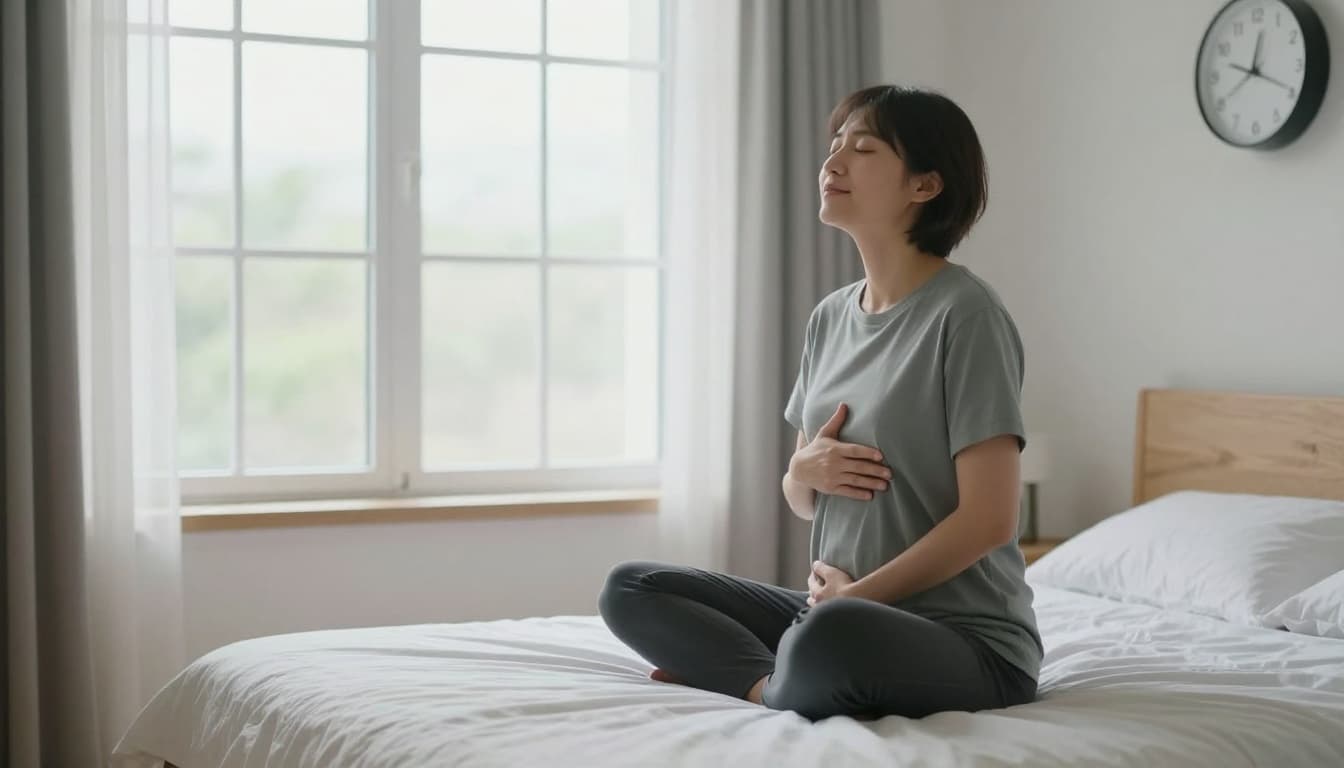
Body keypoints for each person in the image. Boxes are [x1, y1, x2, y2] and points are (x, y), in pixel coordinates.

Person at [598, 85, 1041, 722]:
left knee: (828, 640)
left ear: (924, 186)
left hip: (962, 640)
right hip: (836, 610)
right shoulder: (831, 317)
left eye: (862, 149)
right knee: (631, 588)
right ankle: (771, 686)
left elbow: (990, 520)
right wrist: (798, 474)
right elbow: (806, 496)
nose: (831, 164)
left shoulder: (966, 316)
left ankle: (767, 678)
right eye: (834, 147)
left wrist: (855, 599)